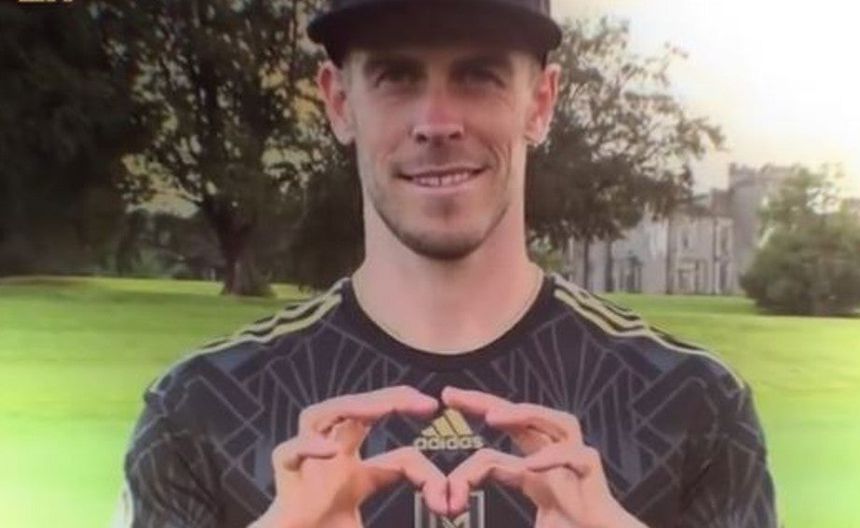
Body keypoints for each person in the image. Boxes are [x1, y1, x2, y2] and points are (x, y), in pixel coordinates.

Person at [115, 0, 778, 526]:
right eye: (397, 76)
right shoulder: (198, 410)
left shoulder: (695, 405)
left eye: (479, 75)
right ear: (340, 103)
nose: (436, 121)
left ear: (540, 103)